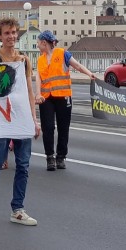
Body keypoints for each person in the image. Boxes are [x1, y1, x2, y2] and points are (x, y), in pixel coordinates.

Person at [0, 18, 40, 226]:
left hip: (21, 117)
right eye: (7, 33)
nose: (11, 36)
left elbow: (29, 91)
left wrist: (34, 119)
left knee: (23, 165)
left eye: (14, 32)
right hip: (1, 119)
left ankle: (18, 209)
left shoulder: (23, 60)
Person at [34, 30, 95, 171]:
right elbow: (38, 77)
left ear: (44, 43)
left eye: (38, 43)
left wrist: (89, 74)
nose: (37, 45)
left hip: (63, 96)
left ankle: (61, 157)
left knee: (63, 128)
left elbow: (77, 65)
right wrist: (38, 94)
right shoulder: (41, 59)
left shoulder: (63, 54)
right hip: (46, 97)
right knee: (47, 127)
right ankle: (50, 157)